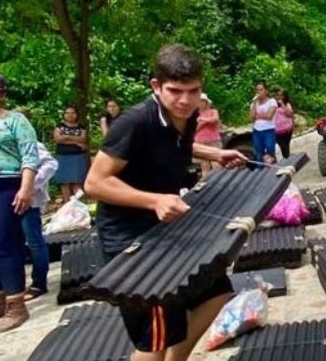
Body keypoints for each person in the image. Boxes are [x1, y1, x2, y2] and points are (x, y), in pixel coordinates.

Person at [84, 44, 247, 360]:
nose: (185, 100)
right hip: (132, 241)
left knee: (217, 292)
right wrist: (155, 200)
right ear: (156, 87)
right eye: (175, 91)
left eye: (193, 90)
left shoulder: (187, 114)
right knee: (154, 339)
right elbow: (95, 183)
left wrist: (214, 152)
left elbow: (174, 146)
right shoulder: (134, 123)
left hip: (167, 231)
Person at [0, 74, 39, 332]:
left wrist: (26, 188)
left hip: (7, 184)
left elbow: (29, 155)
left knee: (4, 242)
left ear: (1, 93)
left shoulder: (15, 121)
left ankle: (16, 303)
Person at [13, 107, 58, 301]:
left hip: (29, 201)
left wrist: (31, 184)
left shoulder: (33, 144)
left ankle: (39, 283)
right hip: (8, 199)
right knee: (11, 243)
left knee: (34, 241)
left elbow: (51, 164)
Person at [53, 106, 88, 201]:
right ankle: (67, 204)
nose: (70, 115)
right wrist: (76, 142)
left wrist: (65, 137)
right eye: (67, 113)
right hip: (63, 156)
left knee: (77, 181)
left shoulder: (81, 127)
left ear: (76, 115)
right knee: (65, 182)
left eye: (72, 113)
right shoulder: (60, 126)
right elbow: (58, 139)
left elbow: (82, 139)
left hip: (78, 157)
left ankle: (78, 205)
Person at [249, 81, 277, 164]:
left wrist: (258, 116)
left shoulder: (272, 101)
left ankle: (273, 168)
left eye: (261, 90)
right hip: (257, 130)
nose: (259, 92)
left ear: (266, 91)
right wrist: (254, 103)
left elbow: (269, 116)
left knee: (270, 150)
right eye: (257, 90)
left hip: (268, 130)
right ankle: (260, 170)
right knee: (258, 152)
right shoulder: (254, 104)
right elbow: (251, 117)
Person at [195, 93, 222, 176]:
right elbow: (195, 128)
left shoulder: (213, 111)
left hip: (213, 140)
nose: (201, 103)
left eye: (203, 101)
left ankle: (218, 181)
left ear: (206, 102)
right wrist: (204, 122)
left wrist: (203, 120)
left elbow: (215, 119)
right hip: (200, 141)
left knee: (216, 163)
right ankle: (205, 183)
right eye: (199, 101)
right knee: (204, 165)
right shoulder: (195, 114)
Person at [273, 87, 294, 159]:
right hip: (277, 131)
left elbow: (290, 114)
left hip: (287, 130)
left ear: (284, 96)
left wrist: (282, 104)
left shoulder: (287, 104)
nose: (279, 97)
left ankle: (287, 159)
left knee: (286, 146)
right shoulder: (273, 104)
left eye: (281, 95)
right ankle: (286, 158)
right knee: (282, 146)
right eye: (277, 95)